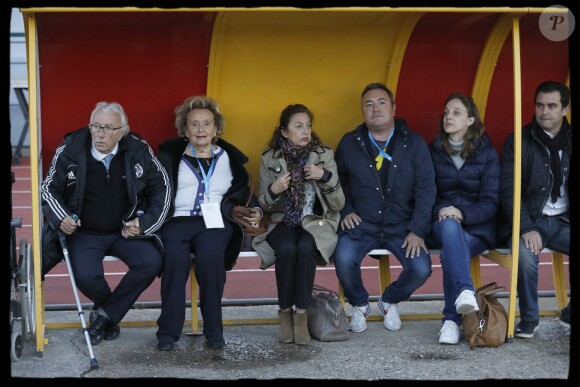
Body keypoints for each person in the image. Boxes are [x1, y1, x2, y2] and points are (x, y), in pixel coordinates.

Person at [40, 101, 171, 345]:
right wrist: (62, 218)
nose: (101, 133)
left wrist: (143, 224)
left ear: (123, 130)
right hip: (84, 232)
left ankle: (102, 317)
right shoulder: (69, 150)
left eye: (109, 128)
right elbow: (49, 189)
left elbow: (161, 187)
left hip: (124, 230)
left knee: (151, 262)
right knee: (87, 276)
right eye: (96, 126)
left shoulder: (138, 149)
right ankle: (109, 313)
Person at [155, 95, 261, 351]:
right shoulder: (169, 155)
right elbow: (153, 189)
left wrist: (255, 209)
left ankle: (214, 331)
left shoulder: (230, 158)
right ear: (185, 129)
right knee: (175, 262)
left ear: (216, 129)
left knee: (210, 259)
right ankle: (168, 333)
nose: (201, 129)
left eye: (206, 124)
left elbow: (243, 192)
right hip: (176, 221)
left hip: (213, 223)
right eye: (194, 124)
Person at [334, 82, 435, 333]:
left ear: (393, 108)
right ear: (362, 111)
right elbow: (335, 183)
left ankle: (389, 301)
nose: (375, 109)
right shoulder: (349, 142)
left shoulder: (413, 142)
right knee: (344, 259)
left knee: (421, 268)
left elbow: (426, 187)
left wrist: (418, 229)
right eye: (368, 104)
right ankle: (359, 304)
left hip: (403, 225)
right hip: (362, 223)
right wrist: (346, 210)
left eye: (381, 103)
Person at [252, 104, 345, 345]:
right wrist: (274, 190)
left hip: (316, 222)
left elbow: (338, 203)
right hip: (281, 221)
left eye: (308, 125)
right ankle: (285, 315)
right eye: (298, 126)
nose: (306, 131)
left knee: (304, 249)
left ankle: (302, 315)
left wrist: (323, 176)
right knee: (286, 250)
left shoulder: (324, 154)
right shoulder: (269, 157)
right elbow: (264, 204)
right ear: (284, 132)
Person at [499, 81, 571, 338]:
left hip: (564, 221)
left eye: (552, 106)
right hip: (531, 219)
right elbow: (509, 191)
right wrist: (526, 227)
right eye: (540, 105)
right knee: (525, 255)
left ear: (565, 108)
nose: (544, 112)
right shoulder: (518, 140)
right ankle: (529, 318)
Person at [427, 93, 500, 344]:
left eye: (456, 112)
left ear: (470, 120)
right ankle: (465, 292)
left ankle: (450, 319)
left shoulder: (487, 154)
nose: (448, 116)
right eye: (446, 112)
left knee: (450, 253)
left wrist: (463, 214)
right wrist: (444, 210)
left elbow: (491, 202)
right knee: (448, 226)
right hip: (441, 223)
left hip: (478, 229)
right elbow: (426, 193)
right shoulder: (433, 151)